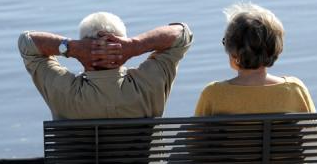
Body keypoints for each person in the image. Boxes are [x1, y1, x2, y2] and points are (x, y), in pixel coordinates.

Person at [18, 13, 193, 120]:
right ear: (121, 42)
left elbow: (27, 44)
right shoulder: (149, 84)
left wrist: (72, 48)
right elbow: (182, 34)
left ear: (83, 43)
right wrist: (135, 45)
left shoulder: (63, 90)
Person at [194, 3, 315, 116]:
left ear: (233, 51)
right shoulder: (295, 90)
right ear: (276, 48)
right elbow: (313, 135)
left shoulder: (214, 94)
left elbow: (195, 137)